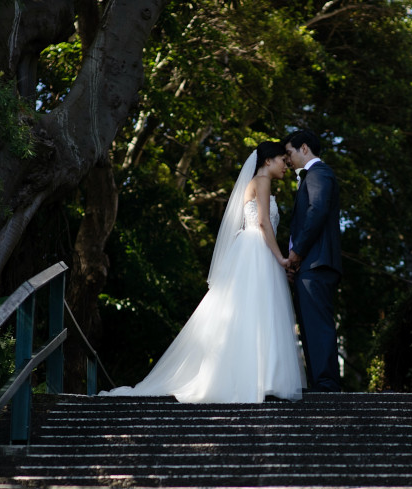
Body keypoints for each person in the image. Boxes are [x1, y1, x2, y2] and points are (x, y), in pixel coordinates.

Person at [100, 141, 305, 403]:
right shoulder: (262, 181)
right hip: (258, 249)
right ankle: (261, 377)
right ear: (267, 161)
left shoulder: (253, 182)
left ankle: (252, 376)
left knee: (246, 314)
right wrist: (281, 259)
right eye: (281, 159)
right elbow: (263, 222)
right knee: (258, 311)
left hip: (251, 249)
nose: (286, 164)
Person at [284, 130, 342, 393]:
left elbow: (316, 210)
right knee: (309, 325)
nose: (287, 159)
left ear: (304, 148)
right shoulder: (313, 176)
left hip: (316, 262)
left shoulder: (319, 173)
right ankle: (320, 382)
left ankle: (327, 384)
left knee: (317, 324)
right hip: (311, 263)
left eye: (289, 153)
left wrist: (297, 252)